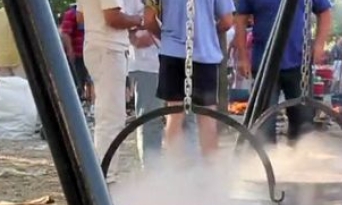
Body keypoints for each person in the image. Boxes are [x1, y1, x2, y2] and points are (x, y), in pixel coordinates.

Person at [144, 0, 236, 155]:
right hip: (204, 52)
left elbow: (148, 19)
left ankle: (174, 170)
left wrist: (166, 37)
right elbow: (227, 21)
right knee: (207, 118)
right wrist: (208, 32)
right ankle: (211, 169)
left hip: (172, 52)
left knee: (174, 115)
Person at [235, 0, 332, 144]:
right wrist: (242, 56)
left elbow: (324, 12)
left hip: (299, 64)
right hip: (264, 64)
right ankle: (262, 163)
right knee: (263, 124)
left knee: (303, 122)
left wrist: (319, 44)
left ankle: (300, 161)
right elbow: (240, 19)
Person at [78, 0, 144, 179]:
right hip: (109, 48)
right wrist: (138, 19)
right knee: (111, 115)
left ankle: (103, 170)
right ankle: (105, 173)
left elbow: (80, 16)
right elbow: (113, 18)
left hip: (97, 45)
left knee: (107, 112)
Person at [124, 0, 164, 164]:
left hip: (176, 59)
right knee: (150, 120)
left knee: (183, 119)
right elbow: (132, 33)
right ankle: (152, 172)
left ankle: (181, 172)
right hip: (148, 64)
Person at [61, 4, 93, 103]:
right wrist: (70, 50)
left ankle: (90, 102)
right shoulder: (71, 14)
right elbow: (65, 33)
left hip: (91, 53)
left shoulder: (90, 13)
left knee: (91, 79)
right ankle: (81, 102)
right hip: (78, 55)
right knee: (79, 80)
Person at [0, 6, 24, 78]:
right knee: (22, 86)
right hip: (18, 57)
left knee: (6, 87)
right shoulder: (22, 13)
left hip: (0, 58)